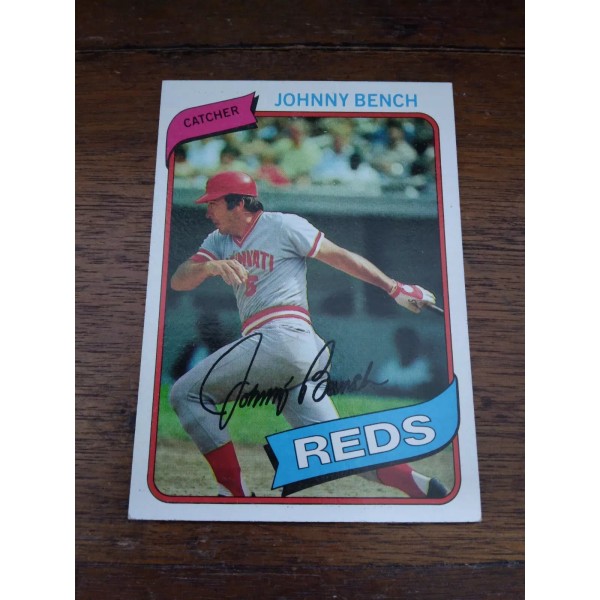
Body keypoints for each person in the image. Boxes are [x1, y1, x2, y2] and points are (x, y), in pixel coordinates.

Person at [169, 171, 448, 499]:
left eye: (213, 204)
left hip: (284, 336)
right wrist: (208, 267)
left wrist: (394, 288)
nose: (207, 212)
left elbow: (339, 257)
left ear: (239, 203)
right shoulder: (218, 240)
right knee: (336, 449)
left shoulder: (282, 225)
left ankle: (233, 492)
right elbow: (179, 280)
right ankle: (419, 485)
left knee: (185, 393)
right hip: (290, 353)